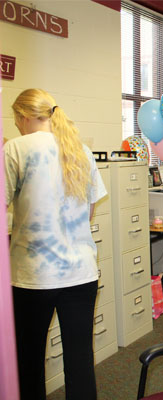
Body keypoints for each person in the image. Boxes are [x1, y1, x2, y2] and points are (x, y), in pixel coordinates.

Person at [4, 89, 106, 400]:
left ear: (22, 117)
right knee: (80, 361)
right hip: (81, 273)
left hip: (34, 277)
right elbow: (88, 212)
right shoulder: (80, 149)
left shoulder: (16, 149)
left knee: (29, 361)